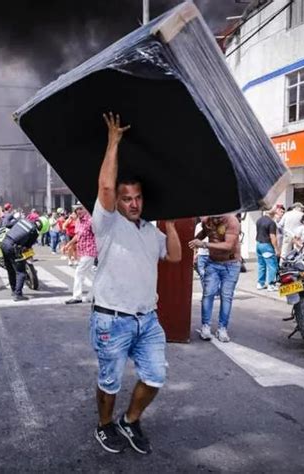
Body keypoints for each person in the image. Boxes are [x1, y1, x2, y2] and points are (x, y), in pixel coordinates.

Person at [90, 112, 181, 455]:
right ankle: (104, 424)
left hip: (147, 320)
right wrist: (114, 142)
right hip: (112, 319)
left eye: (137, 197)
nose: (132, 203)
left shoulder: (149, 231)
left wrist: (170, 224)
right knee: (109, 381)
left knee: (155, 376)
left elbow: (173, 257)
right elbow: (105, 187)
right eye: (127, 198)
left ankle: (130, 420)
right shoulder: (108, 223)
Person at [189, 214, 241, 342]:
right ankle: (206, 326)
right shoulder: (208, 221)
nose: (216, 220)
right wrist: (191, 241)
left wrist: (204, 244)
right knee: (208, 294)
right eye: (214, 217)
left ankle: (222, 328)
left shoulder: (232, 221)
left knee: (226, 296)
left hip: (231, 264)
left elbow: (228, 245)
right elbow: (202, 234)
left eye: (219, 217)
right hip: (213, 263)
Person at [0, 216, 49, 301]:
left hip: (4, 243)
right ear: (43, 228)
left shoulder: (22, 220)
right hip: (13, 248)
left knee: (11, 270)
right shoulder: (34, 232)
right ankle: (18, 294)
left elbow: (8, 225)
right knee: (21, 272)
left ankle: (14, 290)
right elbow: (28, 246)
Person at [64, 204, 96, 304]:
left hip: (90, 250)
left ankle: (77, 296)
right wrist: (69, 244)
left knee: (79, 272)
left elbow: (99, 234)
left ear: (86, 209)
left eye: (81, 208)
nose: (79, 211)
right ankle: (96, 294)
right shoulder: (78, 221)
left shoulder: (91, 221)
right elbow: (77, 236)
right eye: (77, 209)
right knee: (91, 274)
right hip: (82, 251)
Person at [255, 209, 279, 291]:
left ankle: (260, 283)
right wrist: (276, 249)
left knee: (261, 265)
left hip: (258, 244)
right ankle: (271, 284)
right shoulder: (271, 223)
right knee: (272, 266)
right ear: (273, 213)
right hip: (267, 245)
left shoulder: (259, 220)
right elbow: (273, 236)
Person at [193, 219, 210, 290]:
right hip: (201, 254)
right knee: (202, 273)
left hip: (211, 254)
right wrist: (195, 254)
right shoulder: (198, 226)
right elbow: (195, 241)